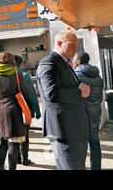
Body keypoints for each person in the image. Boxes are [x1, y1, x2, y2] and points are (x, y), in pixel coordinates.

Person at [36, 30, 90, 170]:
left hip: (74, 129)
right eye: (72, 45)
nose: (76, 49)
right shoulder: (49, 62)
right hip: (64, 130)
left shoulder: (65, 62)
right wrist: (80, 92)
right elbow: (52, 93)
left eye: (77, 45)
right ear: (59, 44)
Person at [0, 51, 31, 170]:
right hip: (15, 112)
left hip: (0, 113)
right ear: (13, 61)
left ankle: (0, 166)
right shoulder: (17, 74)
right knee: (14, 143)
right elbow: (27, 92)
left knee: (3, 141)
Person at [73, 52, 103, 170]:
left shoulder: (76, 75)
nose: (73, 62)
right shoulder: (98, 75)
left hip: (82, 112)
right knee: (94, 141)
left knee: (81, 143)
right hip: (96, 110)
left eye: (75, 59)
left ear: (79, 61)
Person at [15, 55, 41, 166]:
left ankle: (16, 158)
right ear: (21, 64)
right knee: (24, 135)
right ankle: (24, 159)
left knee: (14, 135)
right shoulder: (25, 76)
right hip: (25, 111)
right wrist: (37, 111)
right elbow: (32, 96)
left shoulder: (7, 75)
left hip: (11, 110)